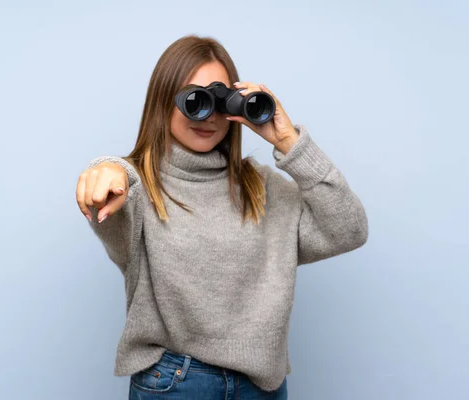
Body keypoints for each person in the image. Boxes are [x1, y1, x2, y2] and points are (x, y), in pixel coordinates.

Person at [75, 34, 369, 399]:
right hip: (176, 384)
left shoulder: (262, 188)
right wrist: (107, 169)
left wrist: (289, 142)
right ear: (163, 102)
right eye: (194, 100)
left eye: (219, 100)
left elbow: (349, 229)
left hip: (262, 387)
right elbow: (114, 182)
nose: (209, 116)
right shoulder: (139, 188)